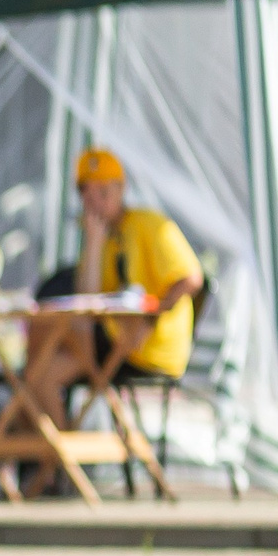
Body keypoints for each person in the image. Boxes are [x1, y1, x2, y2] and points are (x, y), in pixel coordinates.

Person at [25, 147, 204, 409]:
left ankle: (52, 445)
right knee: (39, 368)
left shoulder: (148, 224)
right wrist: (94, 243)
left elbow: (191, 278)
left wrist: (149, 320)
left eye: (103, 193)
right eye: (87, 195)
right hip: (114, 343)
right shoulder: (104, 236)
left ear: (121, 190)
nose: (95, 203)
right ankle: (53, 443)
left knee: (42, 366)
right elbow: (87, 300)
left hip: (147, 348)